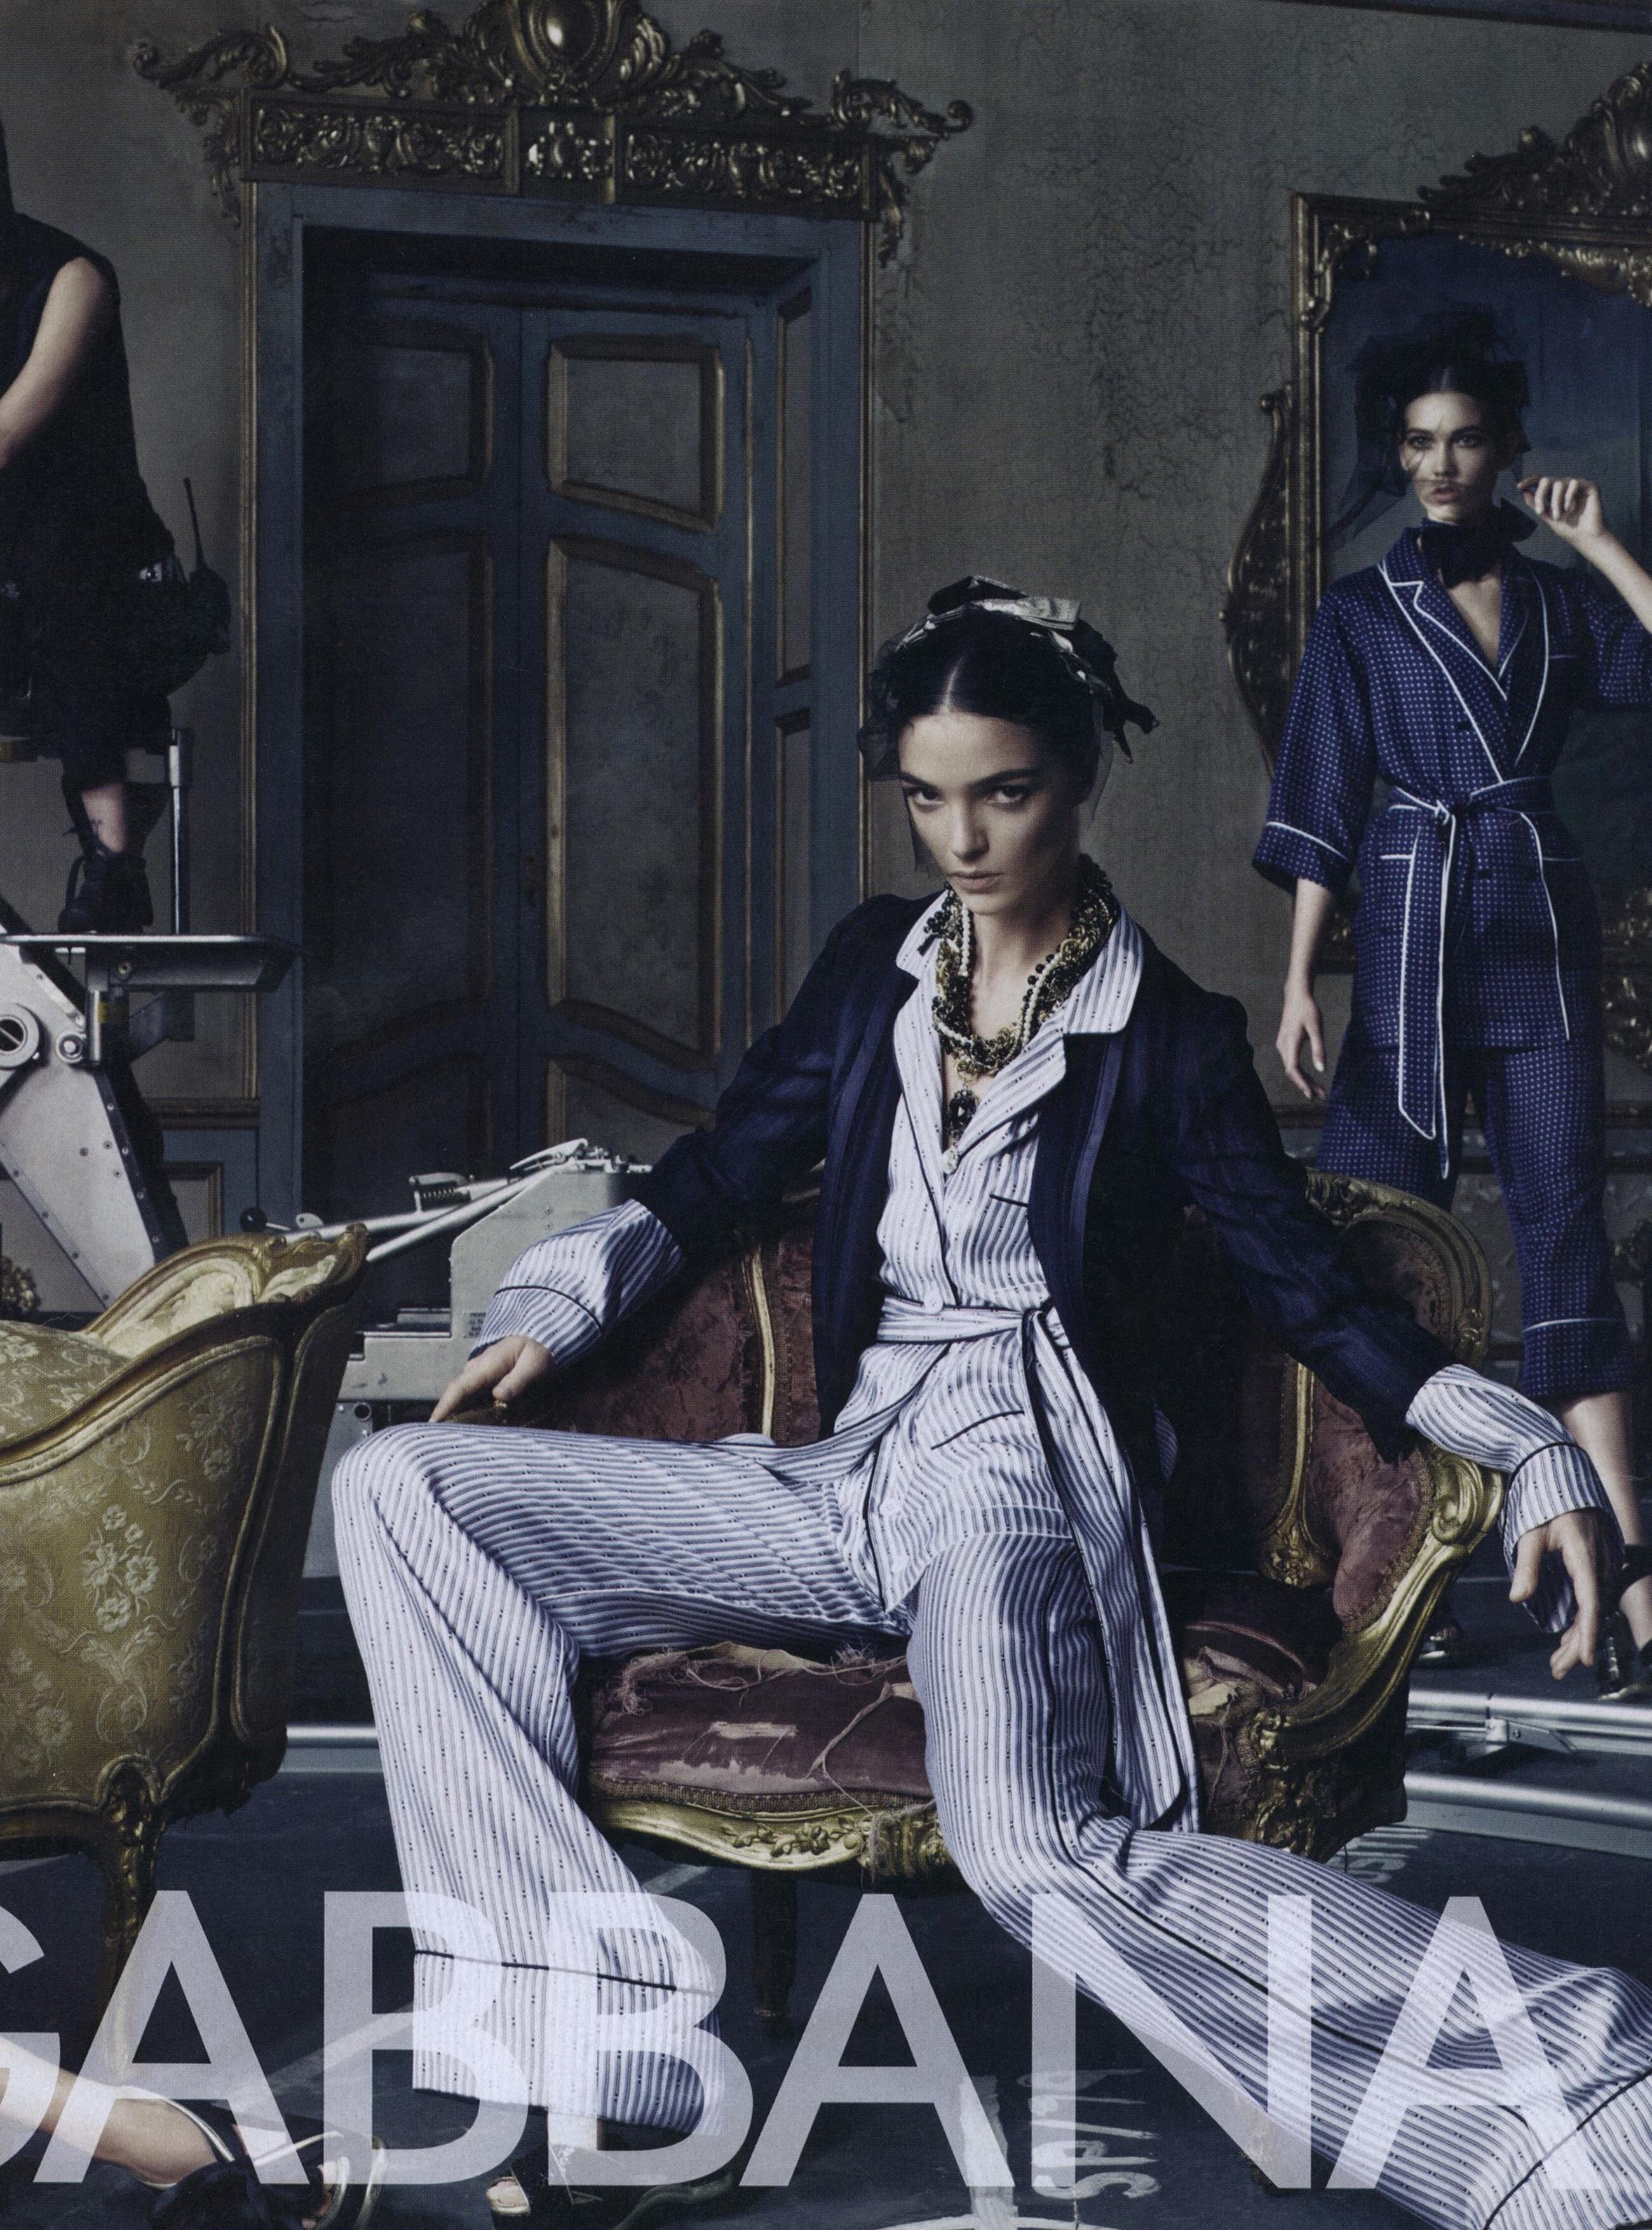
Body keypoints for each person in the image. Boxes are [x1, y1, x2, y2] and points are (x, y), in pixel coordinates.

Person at [332, 580, 1651, 2230]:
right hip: (839, 1474)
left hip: (1011, 1474)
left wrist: (1528, 1441)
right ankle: (617, 2064)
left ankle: (1584, 2074)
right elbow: (727, 1165)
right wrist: (557, 1304)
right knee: (404, 1493)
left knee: (1037, 1855)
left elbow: (1311, 1290)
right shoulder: (870, 968)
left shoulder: (1167, 1035)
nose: (962, 838)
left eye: (1005, 792)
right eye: (928, 798)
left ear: (1080, 776)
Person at [1256, 323, 1652, 1698]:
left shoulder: (1555, 600)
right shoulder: (1361, 614)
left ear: (1508, 450)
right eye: (1418, 442)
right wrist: (1301, 978)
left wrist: (1599, 542)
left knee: (1564, 1233)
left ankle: (1628, 1565)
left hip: (1534, 925)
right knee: (1377, 1237)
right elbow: (1321, 798)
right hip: (1410, 930)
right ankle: (1378, 1558)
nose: (1439, 464)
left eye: (1465, 439)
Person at [0, 114, 180, 933]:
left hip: (105, 556)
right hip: (18, 560)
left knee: (61, 555)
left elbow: (7, 437)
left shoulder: (75, 278)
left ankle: (114, 862)